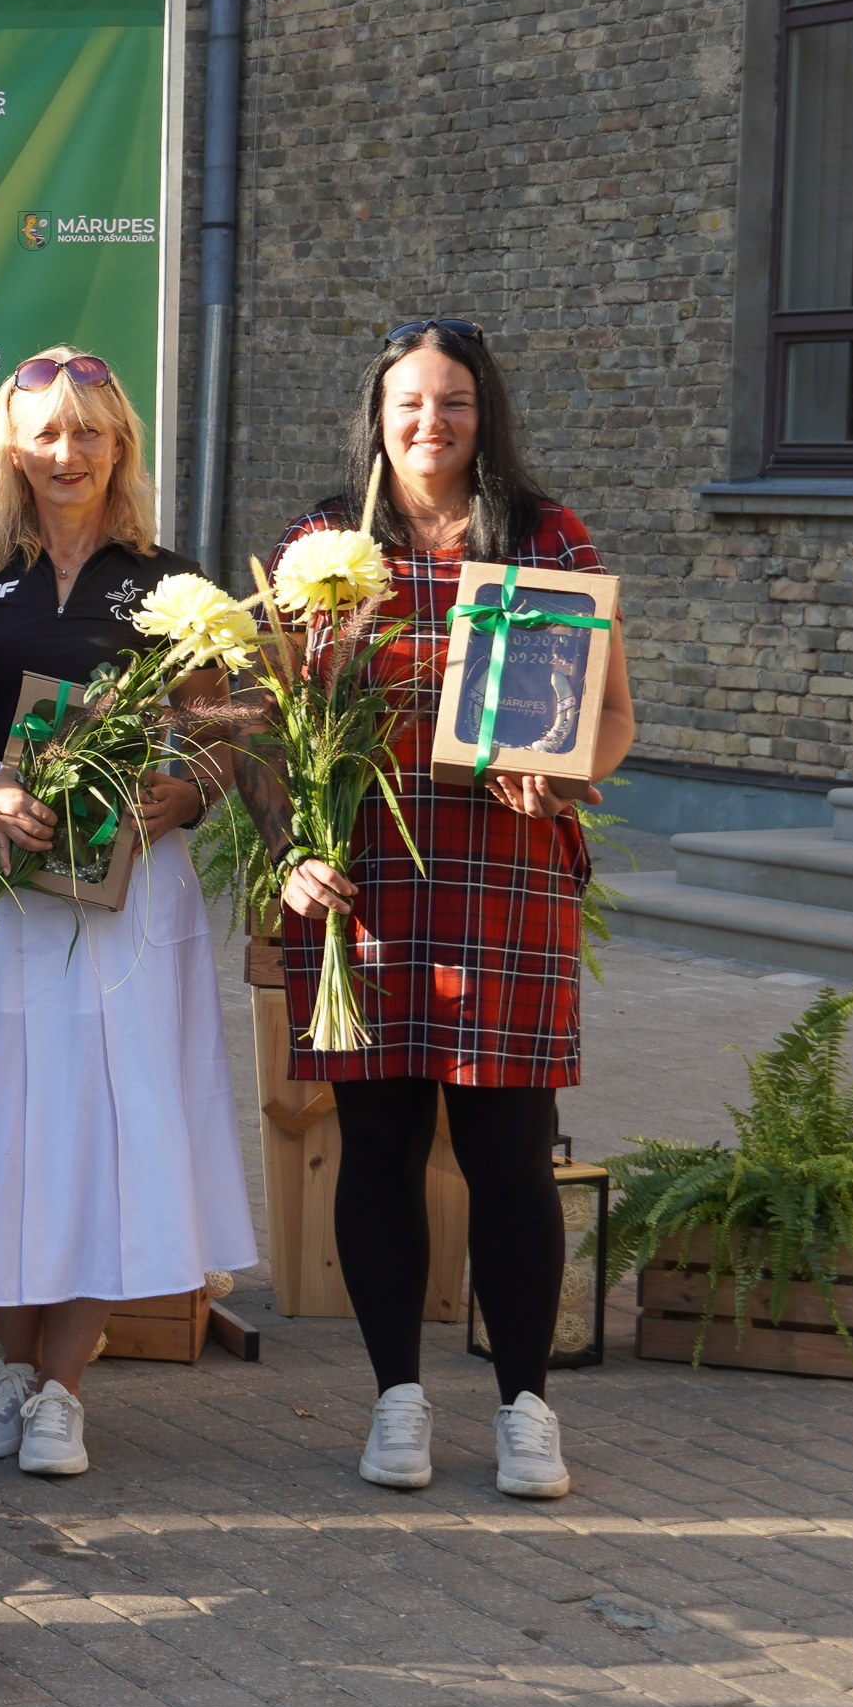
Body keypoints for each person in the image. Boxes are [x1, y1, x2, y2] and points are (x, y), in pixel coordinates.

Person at [271, 319, 633, 1501]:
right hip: (366, 880)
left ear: (489, 414)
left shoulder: (546, 534)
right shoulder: (325, 544)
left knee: (509, 1155)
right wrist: (289, 850)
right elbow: (274, 728)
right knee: (375, 1147)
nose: (433, 422)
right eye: (412, 402)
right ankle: (397, 1400)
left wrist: (567, 772)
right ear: (378, 413)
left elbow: (614, 713)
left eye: (457, 402)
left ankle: (528, 1405)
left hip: (507, 874)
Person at [0, 349, 259, 1476]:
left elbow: (221, 730)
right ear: (12, 447)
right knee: (8, 1125)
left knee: (104, 1123)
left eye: (89, 432)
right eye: (45, 432)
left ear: (121, 446)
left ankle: (62, 1386)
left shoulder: (172, 576)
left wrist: (181, 794)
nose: (67, 453)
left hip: (124, 892)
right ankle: (10, 1364)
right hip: (3, 878)